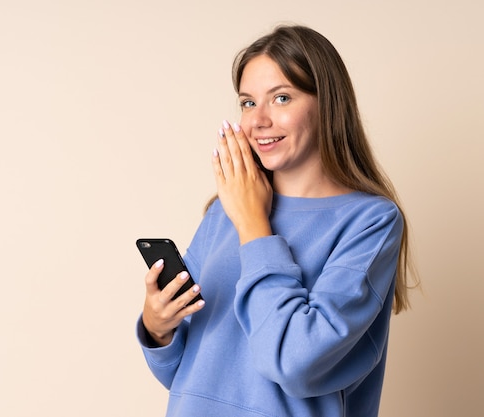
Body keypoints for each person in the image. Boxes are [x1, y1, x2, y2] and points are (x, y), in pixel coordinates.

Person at [137, 24, 418, 417]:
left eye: (281, 98)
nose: (258, 121)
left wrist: (254, 226)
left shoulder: (371, 222)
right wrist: (157, 327)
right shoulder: (225, 209)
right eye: (248, 103)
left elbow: (294, 362)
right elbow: (187, 371)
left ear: (327, 105)